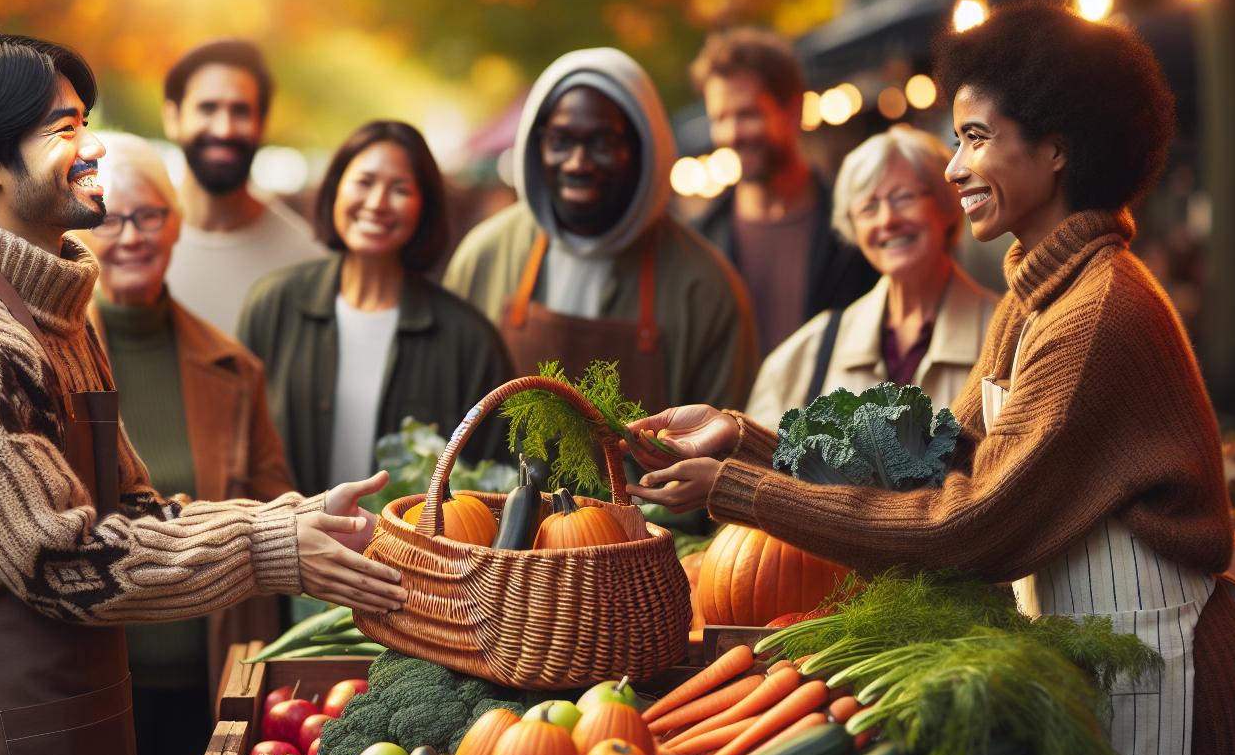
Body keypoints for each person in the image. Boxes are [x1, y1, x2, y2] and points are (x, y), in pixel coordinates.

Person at [626, 2, 1235, 755]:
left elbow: (970, 524)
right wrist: (744, 438)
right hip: (1105, 665)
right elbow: (935, 458)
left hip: (1167, 679)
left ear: (1056, 149)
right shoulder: (1039, 296)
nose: (954, 164)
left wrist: (742, 493)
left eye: (975, 137)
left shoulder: (1096, 314)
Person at [0, 32, 404, 755]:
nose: (94, 146)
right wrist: (268, 544)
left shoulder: (54, 316)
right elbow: (63, 564)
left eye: (84, 121)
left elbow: (136, 511)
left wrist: (290, 519)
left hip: (77, 715)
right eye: (62, 127)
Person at [72, 132, 299, 755]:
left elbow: (273, 510)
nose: (132, 237)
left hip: (210, 677)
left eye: (151, 217)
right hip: (95, 677)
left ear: (177, 227)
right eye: (111, 217)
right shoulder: (49, 361)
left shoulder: (233, 368)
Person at [444, 47, 758, 421]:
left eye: (603, 143)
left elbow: (724, 455)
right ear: (535, 146)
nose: (578, 163)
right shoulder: (485, 256)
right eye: (560, 142)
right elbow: (446, 410)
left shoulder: (705, 287)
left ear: (643, 149)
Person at [241, 120, 513, 493]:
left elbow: (494, 479)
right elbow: (235, 444)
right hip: (286, 546)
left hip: (410, 550)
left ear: (426, 207)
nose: (377, 203)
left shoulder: (469, 341)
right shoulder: (273, 305)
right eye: (364, 182)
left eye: (400, 189)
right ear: (336, 188)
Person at [746, 125, 997, 426]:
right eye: (868, 207)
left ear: (945, 206)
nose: (887, 219)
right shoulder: (809, 354)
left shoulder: (1008, 334)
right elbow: (754, 464)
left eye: (903, 197)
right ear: (852, 227)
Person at [688, 28, 877, 354]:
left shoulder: (858, 228)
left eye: (747, 114)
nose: (731, 134)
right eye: (719, 118)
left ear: (794, 110)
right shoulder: (700, 242)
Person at [158, 40, 325, 333]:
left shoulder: (308, 263)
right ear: (172, 118)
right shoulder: (119, 247)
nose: (225, 129)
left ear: (263, 123)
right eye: (207, 108)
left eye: (241, 111)